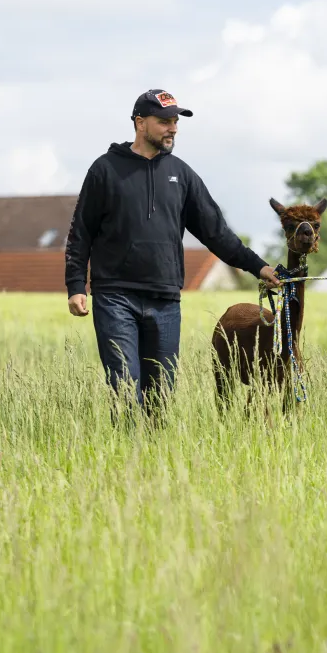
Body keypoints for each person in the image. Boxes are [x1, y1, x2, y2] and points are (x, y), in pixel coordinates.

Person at [64, 89, 281, 421]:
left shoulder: (182, 175)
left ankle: (154, 452)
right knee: (124, 388)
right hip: (115, 297)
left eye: (176, 122)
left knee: (161, 395)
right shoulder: (105, 170)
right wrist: (76, 285)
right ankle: (126, 451)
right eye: (165, 121)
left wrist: (258, 267)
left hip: (165, 300)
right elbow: (81, 231)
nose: (173, 128)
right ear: (140, 123)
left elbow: (216, 233)